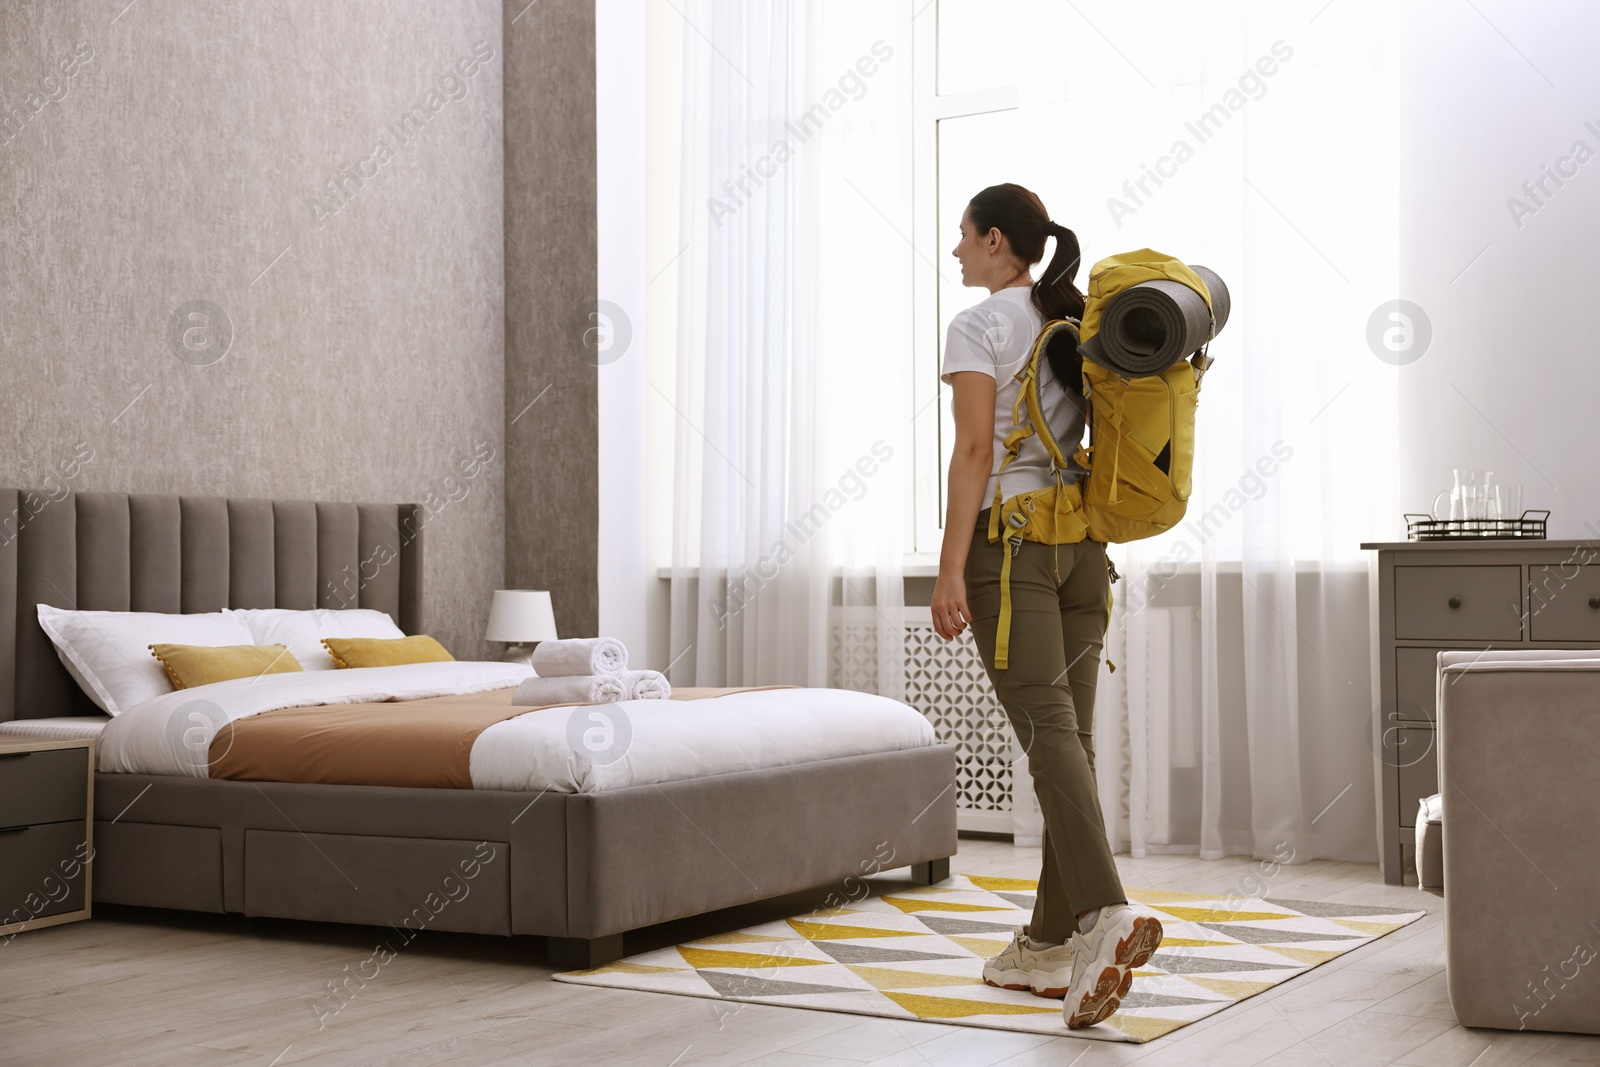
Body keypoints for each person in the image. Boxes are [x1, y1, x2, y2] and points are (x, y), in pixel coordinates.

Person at [931, 183, 1163, 1029]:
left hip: (1013, 547)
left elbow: (975, 449)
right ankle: (1047, 941)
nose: (955, 250)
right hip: (1083, 552)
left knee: (1049, 737)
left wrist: (951, 564)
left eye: (962, 236)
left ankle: (1105, 915)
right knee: (1071, 740)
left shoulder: (980, 325)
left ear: (997, 241)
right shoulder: (1073, 318)